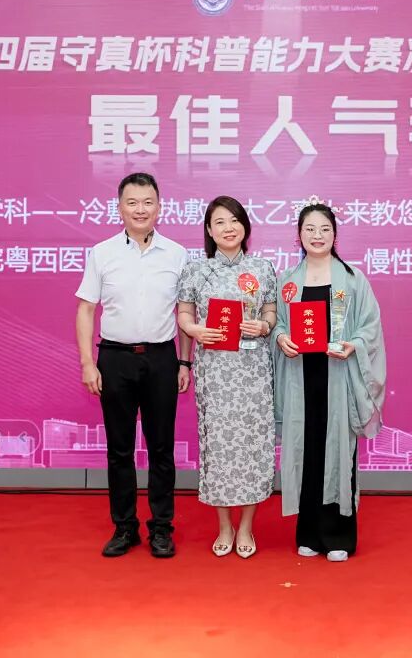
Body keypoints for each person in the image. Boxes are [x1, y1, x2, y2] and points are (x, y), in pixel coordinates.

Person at [75, 173, 192, 559]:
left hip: (161, 358)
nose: (140, 209)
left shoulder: (177, 254)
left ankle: (161, 528)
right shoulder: (102, 252)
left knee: (161, 448)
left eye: (147, 202)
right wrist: (88, 363)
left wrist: (184, 361)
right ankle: (124, 527)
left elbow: (185, 312)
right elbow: (86, 309)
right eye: (132, 202)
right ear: (119, 207)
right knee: (119, 449)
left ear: (159, 207)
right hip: (115, 359)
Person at [273, 198, 386, 562]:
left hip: (339, 378)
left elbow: (370, 327)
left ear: (335, 235)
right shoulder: (288, 282)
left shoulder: (352, 280)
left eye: (325, 229)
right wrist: (280, 337)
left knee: (338, 453)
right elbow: (277, 323)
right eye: (309, 229)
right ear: (298, 236)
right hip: (300, 378)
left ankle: (338, 536)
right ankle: (309, 533)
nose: (317, 235)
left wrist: (354, 344)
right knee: (305, 452)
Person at [176, 196, 277, 559]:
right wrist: (195, 330)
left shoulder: (263, 268)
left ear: (245, 226)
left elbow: (271, 313)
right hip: (215, 371)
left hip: (253, 372)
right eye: (219, 222)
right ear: (209, 229)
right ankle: (224, 526)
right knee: (218, 447)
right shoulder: (196, 270)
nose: (228, 228)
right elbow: (183, 315)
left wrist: (263, 326)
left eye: (234, 220)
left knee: (252, 446)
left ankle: (246, 526)